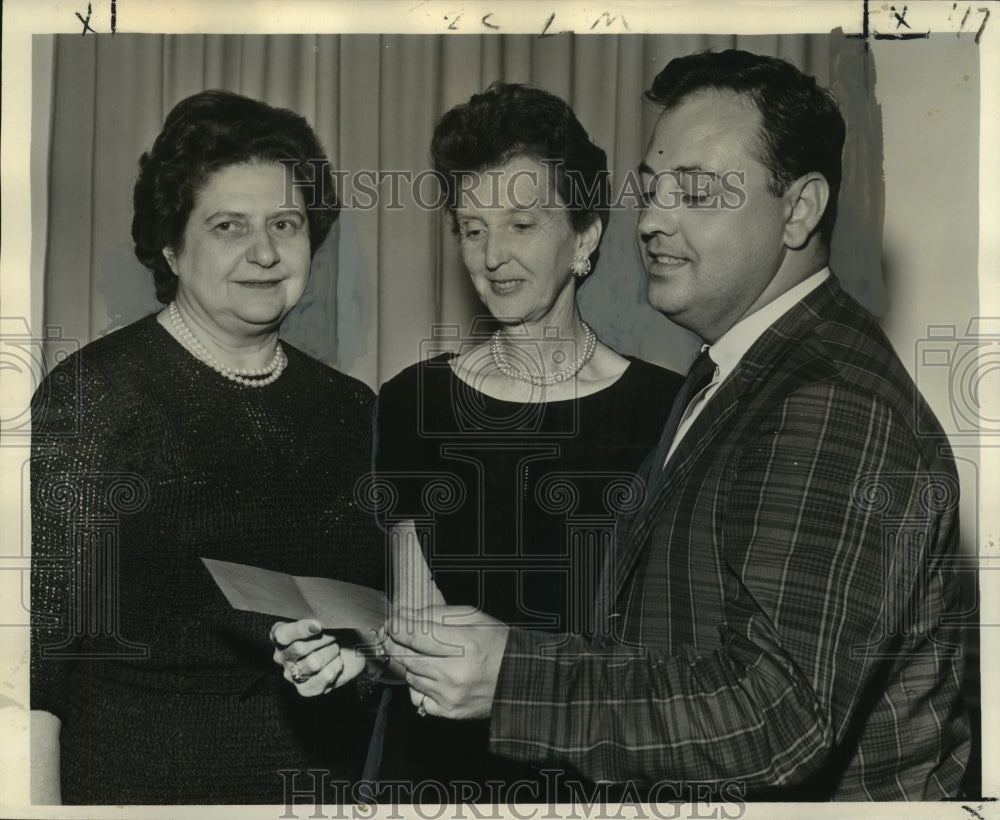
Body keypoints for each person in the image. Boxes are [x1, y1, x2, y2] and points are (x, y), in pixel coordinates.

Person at [380, 51, 972, 801]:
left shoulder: (829, 400)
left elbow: (773, 717)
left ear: (799, 209)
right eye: (654, 191)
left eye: (695, 192)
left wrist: (512, 674)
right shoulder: (737, 376)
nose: (653, 220)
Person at [271, 82, 683, 801]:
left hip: (597, 776)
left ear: (585, 236)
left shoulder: (667, 411)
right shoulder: (412, 402)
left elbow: (672, 658)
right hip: (437, 776)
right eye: (470, 228)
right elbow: (414, 628)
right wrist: (358, 655)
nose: (492, 256)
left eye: (522, 224)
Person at [30, 90, 382, 805]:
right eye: (229, 225)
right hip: (143, 791)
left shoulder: (353, 411)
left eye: (286, 223)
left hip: (326, 788)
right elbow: (39, 667)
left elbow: (383, 626)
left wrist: (360, 658)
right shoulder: (94, 397)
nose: (264, 252)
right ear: (171, 244)